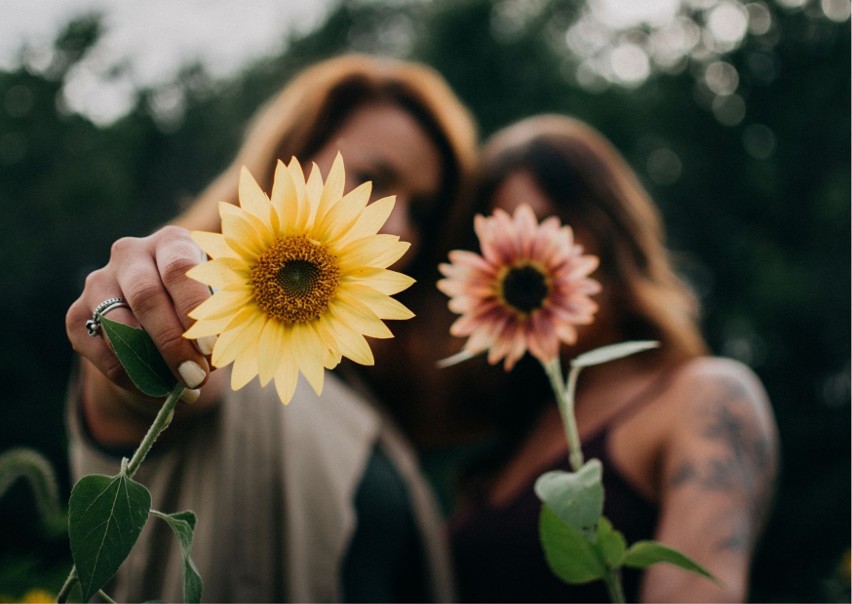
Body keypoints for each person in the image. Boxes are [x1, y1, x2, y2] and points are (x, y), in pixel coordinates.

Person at [64, 53, 479, 602]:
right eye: (372, 179)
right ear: (290, 161)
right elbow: (168, 385)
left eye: (422, 212)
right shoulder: (216, 332)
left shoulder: (362, 394)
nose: (397, 225)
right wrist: (131, 324)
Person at [446, 115, 779, 603]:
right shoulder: (514, 435)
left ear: (611, 229)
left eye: (550, 225)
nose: (524, 258)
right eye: (491, 245)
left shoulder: (703, 398)